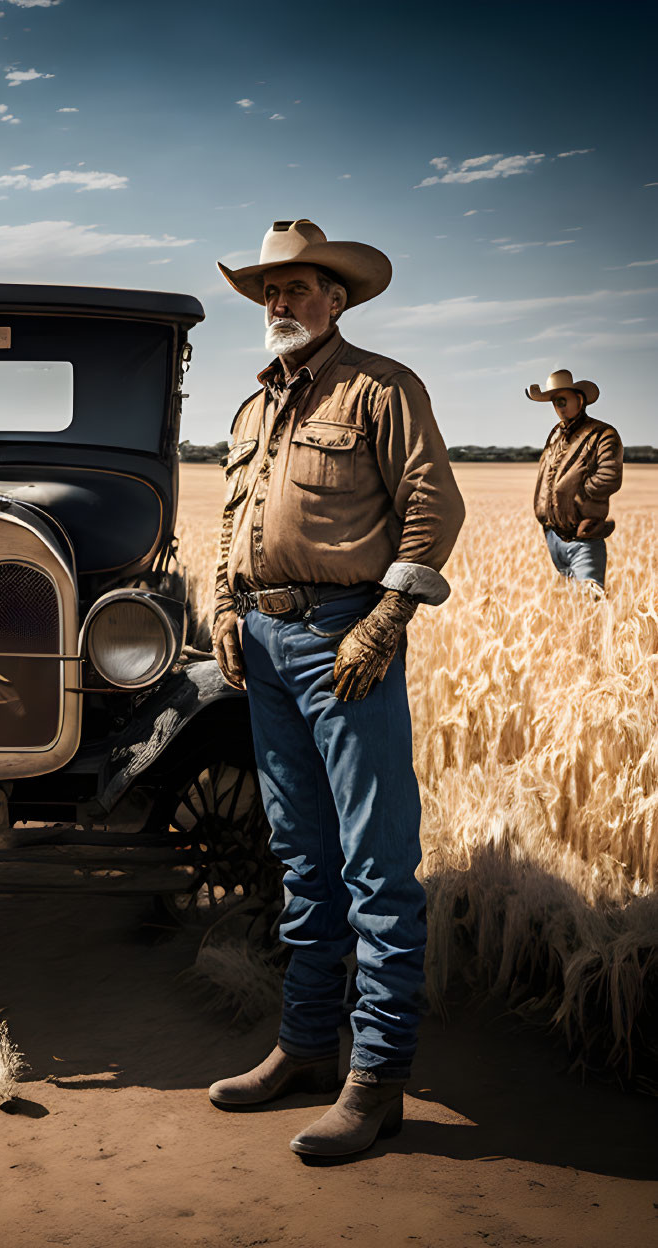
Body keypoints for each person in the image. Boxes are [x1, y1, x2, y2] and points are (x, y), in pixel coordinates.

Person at [206, 220, 465, 1158]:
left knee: (374, 867)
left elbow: (434, 504)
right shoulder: (249, 410)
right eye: (268, 291)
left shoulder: (380, 388)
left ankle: (377, 1078)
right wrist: (224, 607)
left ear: (336, 299)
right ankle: (308, 1046)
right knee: (302, 860)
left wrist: (383, 623)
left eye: (298, 288)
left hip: (341, 639)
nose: (278, 303)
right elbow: (230, 515)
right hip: (266, 646)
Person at [529, 369, 622, 592]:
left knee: (591, 601)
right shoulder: (555, 434)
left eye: (562, 400)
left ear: (579, 399)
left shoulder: (603, 434)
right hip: (553, 536)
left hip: (582, 535)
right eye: (554, 402)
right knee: (570, 608)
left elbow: (609, 477)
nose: (558, 407)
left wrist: (578, 502)